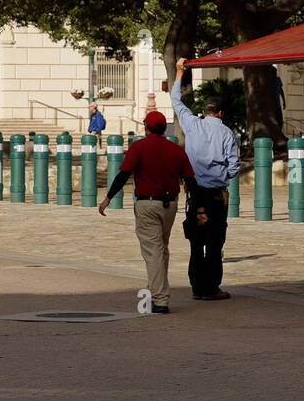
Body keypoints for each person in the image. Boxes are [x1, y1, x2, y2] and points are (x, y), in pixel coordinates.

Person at [98, 111, 196, 314]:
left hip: (146, 204)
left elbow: (124, 173)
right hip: (170, 205)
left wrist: (108, 197)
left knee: (153, 251)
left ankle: (160, 299)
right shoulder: (176, 149)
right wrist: (197, 207)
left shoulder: (139, 147)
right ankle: (156, 289)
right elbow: (190, 179)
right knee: (161, 247)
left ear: (146, 127)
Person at [173, 58, 241, 301]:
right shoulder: (226, 133)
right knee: (214, 242)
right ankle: (211, 287)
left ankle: (196, 287)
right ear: (221, 113)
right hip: (215, 195)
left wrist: (180, 72)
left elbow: (175, 100)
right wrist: (222, 174)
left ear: (205, 111)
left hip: (196, 194)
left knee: (195, 240)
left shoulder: (192, 124)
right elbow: (233, 166)